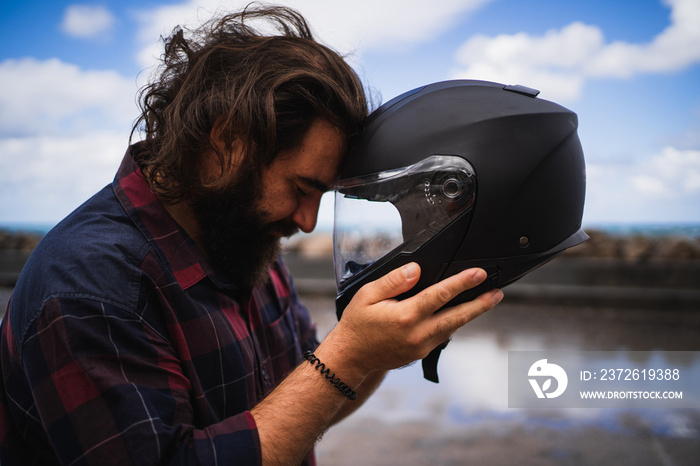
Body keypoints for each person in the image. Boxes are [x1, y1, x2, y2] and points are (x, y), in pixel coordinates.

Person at [0, 5, 503, 465]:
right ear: (227, 143)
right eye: (301, 188)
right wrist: (348, 355)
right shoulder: (89, 286)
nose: (306, 221)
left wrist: (386, 345)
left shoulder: (242, 236)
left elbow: (302, 405)